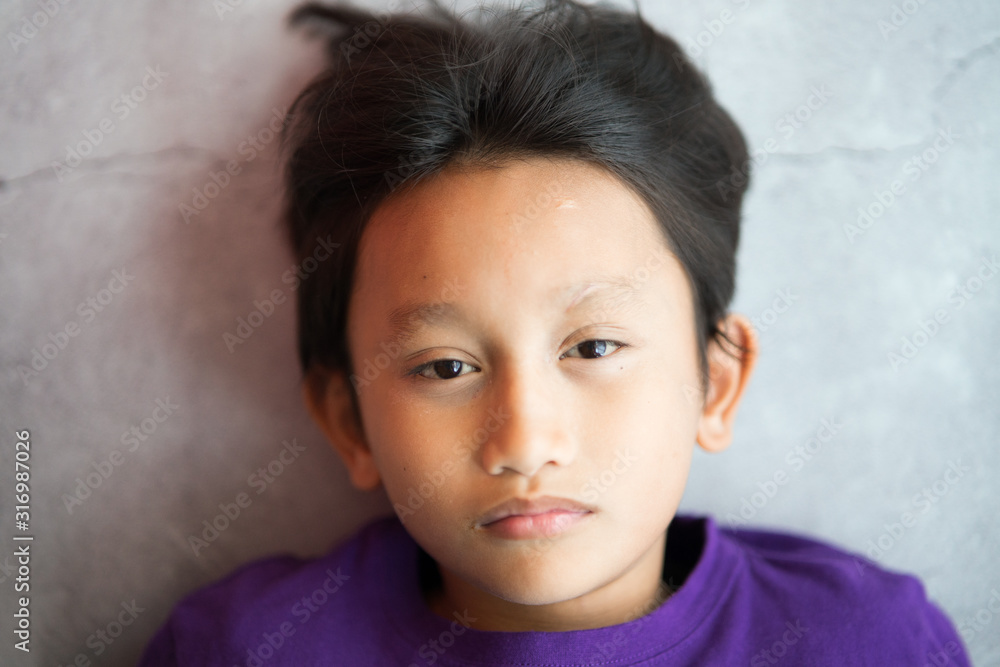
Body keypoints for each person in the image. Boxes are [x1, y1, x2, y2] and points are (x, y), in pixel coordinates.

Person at [138, 0, 970, 664]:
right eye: (444, 365)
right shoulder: (244, 647)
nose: (526, 441)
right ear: (348, 417)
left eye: (594, 346)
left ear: (715, 384)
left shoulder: (866, 640)